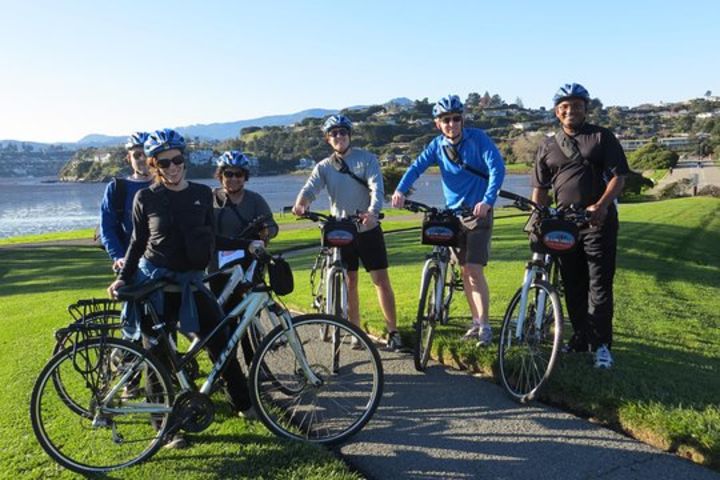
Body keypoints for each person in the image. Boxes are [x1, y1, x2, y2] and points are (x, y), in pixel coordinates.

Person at [107, 129, 260, 448]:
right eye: (165, 162)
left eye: (178, 159)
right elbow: (138, 243)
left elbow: (211, 238)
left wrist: (248, 245)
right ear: (154, 165)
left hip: (192, 282)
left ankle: (243, 404)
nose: (173, 166)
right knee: (157, 358)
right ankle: (165, 429)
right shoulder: (144, 197)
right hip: (156, 284)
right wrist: (124, 276)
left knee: (221, 340)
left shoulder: (203, 194)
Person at [392, 95, 505, 347]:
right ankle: (475, 322)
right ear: (438, 124)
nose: (452, 123)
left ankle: (485, 326)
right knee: (464, 271)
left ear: (462, 120)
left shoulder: (478, 139)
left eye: (456, 118)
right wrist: (400, 190)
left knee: (474, 270)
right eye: (446, 120)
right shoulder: (436, 145)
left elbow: (497, 168)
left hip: (478, 214)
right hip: (453, 215)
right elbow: (416, 167)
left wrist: (487, 201)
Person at [531, 83, 629, 369]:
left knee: (598, 285)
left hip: (598, 222)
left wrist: (601, 205)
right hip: (564, 225)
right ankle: (580, 339)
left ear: (586, 108)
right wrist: (538, 215)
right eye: (564, 106)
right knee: (573, 285)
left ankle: (601, 346)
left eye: (576, 105)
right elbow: (540, 187)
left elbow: (618, 177)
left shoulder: (602, 137)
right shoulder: (548, 145)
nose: (570, 110)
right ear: (556, 111)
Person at [292, 115, 402, 351]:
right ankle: (356, 331)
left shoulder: (367, 159)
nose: (339, 137)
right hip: (342, 230)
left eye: (343, 132)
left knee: (380, 280)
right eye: (334, 133)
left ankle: (393, 331)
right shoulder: (324, 166)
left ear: (350, 135)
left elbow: (376, 186)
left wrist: (373, 212)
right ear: (328, 138)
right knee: (350, 281)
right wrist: (301, 204)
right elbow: (310, 188)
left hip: (367, 227)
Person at [209, 150, 279, 365]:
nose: (233, 179)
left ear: (245, 176)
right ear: (221, 175)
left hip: (249, 266)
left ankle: (257, 364)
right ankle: (226, 366)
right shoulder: (211, 199)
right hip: (219, 268)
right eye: (228, 174)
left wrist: (266, 232)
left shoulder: (255, 200)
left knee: (250, 317)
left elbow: (272, 225)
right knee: (223, 320)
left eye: (239, 174)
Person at [99, 132, 153, 271]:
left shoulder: (167, 185)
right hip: (132, 261)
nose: (142, 159)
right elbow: (107, 227)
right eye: (137, 155)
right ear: (129, 158)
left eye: (146, 154)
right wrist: (119, 256)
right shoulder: (117, 189)